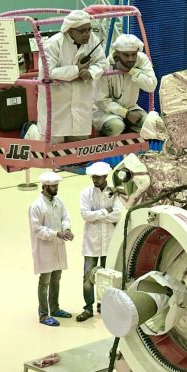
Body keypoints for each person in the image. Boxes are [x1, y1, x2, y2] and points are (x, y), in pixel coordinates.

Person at [29, 9, 107, 142]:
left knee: (79, 147)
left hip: (81, 101)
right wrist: (76, 70)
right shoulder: (54, 44)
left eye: (89, 29)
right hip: (57, 102)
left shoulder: (92, 40)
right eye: (82, 31)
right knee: (52, 146)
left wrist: (90, 73)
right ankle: (30, 132)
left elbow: (102, 62)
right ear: (70, 31)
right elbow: (47, 72)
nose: (87, 34)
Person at [78, 161, 123, 322]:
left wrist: (97, 216)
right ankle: (88, 308)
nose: (95, 180)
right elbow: (85, 215)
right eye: (93, 177)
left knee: (107, 277)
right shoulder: (86, 193)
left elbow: (117, 214)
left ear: (105, 177)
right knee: (88, 277)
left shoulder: (115, 193)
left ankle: (103, 306)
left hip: (109, 242)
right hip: (91, 243)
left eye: (98, 177)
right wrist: (105, 212)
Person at [30, 171, 74, 326]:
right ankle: (43, 315)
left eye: (57, 186)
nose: (56, 189)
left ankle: (55, 308)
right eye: (54, 186)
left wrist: (67, 229)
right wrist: (57, 234)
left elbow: (65, 217)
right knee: (45, 281)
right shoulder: (37, 206)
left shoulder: (58, 201)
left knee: (56, 279)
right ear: (45, 186)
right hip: (45, 249)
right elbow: (37, 230)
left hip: (57, 247)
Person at [93, 34, 158, 136]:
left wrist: (131, 71)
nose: (131, 59)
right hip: (106, 112)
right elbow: (102, 101)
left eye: (133, 54)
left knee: (151, 125)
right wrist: (126, 113)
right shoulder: (105, 66)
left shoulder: (141, 60)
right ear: (117, 54)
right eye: (126, 55)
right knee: (116, 126)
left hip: (131, 107)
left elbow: (151, 86)